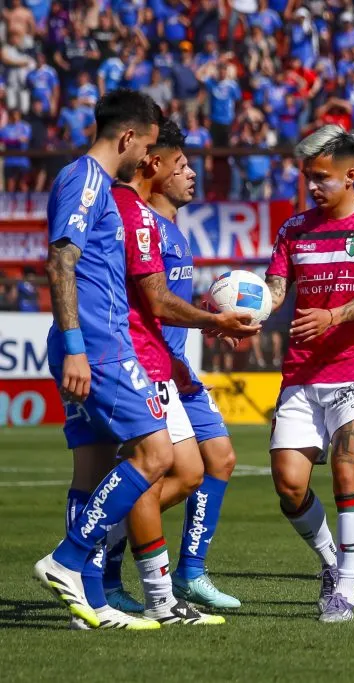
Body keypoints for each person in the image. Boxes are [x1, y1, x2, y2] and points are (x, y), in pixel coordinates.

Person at [113, 119, 257, 625]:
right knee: (171, 471)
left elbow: (164, 305)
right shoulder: (141, 222)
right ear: (156, 168)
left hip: (177, 366)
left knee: (219, 459)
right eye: (183, 166)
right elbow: (149, 302)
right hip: (152, 370)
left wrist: (209, 321)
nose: (192, 175)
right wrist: (209, 318)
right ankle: (105, 543)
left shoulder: (172, 229)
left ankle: (190, 570)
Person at [33, 89, 166, 630]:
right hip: (98, 344)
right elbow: (61, 262)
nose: (148, 159)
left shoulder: (95, 185)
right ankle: (67, 560)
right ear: (127, 137)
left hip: (95, 343)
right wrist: (76, 348)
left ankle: (91, 606)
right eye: (148, 146)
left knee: (92, 467)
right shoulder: (86, 179)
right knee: (154, 455)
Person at [265, 125, 354, 623]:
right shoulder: (292, 230)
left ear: (351, 175)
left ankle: (345, 589)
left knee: (348, 469)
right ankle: (330, 561)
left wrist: (331, 316)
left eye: (322, 178)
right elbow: (276, 291)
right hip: (302, 373)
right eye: (308, 178)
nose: (313, 187)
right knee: (288, 483)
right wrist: (240, 315)